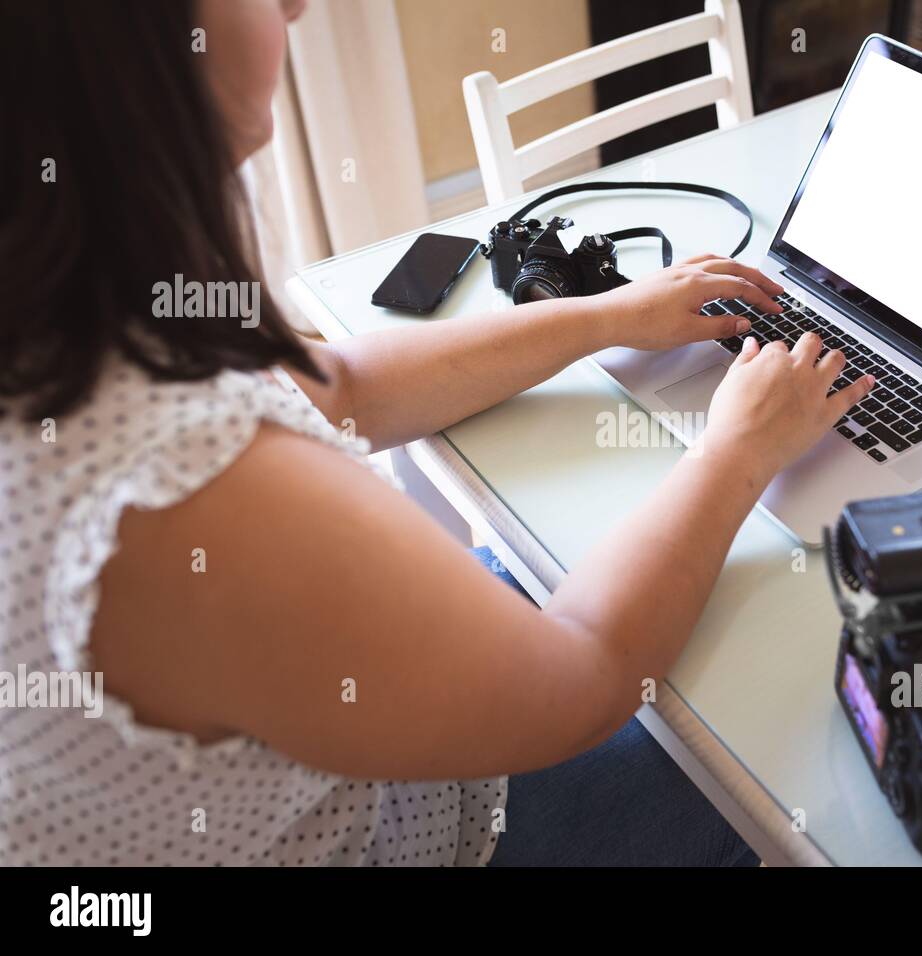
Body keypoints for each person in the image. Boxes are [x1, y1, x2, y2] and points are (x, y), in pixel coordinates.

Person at [0, 0, 874, 866]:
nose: (298, 6)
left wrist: (604, 317)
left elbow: (336, 386)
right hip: (430, 833)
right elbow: (582, 681)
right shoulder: (177, 484)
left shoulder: (66, 320)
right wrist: (737, 452)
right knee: (786, 749)